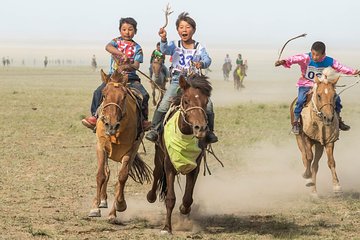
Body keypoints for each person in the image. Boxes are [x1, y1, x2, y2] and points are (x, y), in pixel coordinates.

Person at [145, 12, 218, 144]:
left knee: (209, 106)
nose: (184, 30)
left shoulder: (199, 47)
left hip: (194, 82)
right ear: (178, 30)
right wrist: (163, 39)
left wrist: (201, 63)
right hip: (177, 80)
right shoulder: (175, 44)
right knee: (164, 103)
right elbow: (164, 50)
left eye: (188, 27)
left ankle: (209, 132)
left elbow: (207, 59)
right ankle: (155, 130)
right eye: (181, 27)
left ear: (194, 30)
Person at [275, 41, 359, 134]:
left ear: (324, 54)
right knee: (300, 100)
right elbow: (293, 59)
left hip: (322, 85)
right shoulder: (305, 58)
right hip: (306, 84)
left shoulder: (329, 61)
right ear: (311, 51)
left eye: (317, 55)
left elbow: (341, 67)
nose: (314, 57)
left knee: (336, 99)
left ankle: (338, 120)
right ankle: (296, 122)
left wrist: (353, 72)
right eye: (313, 54)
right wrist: (283, 61)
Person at [82, 17, 151, 131]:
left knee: (144, 95)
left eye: (130, 29)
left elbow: (137, 65)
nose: (127, 32)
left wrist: (129, 64)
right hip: (113, 78)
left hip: (131, 79)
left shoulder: (137, 48)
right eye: (124, 29)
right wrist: (121, 54)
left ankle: (143, 121)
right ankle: (94, 117)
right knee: (98, 92)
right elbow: (108, 47)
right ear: (120, 30)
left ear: (135, 31)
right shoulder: (115, 42)